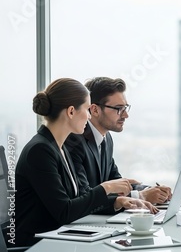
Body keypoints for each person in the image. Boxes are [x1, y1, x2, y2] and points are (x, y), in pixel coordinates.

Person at [14, 78, 157, 247]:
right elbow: (64, 211)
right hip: (38, 244)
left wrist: (116, 202)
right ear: (71, 112)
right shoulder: (40, 150)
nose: (89, 116)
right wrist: (107, 188)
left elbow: (80, 200)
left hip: (59, 238)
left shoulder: (59, 147)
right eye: (87, 109)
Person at [64, 77, 172, 205]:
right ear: (95, 110)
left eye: (125, 108)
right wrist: (140, 196)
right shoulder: (74, 141)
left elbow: (117, 182)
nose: (125, 115)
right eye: (119, 108)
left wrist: (151, 190)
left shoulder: (106, 138)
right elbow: (85, 195)